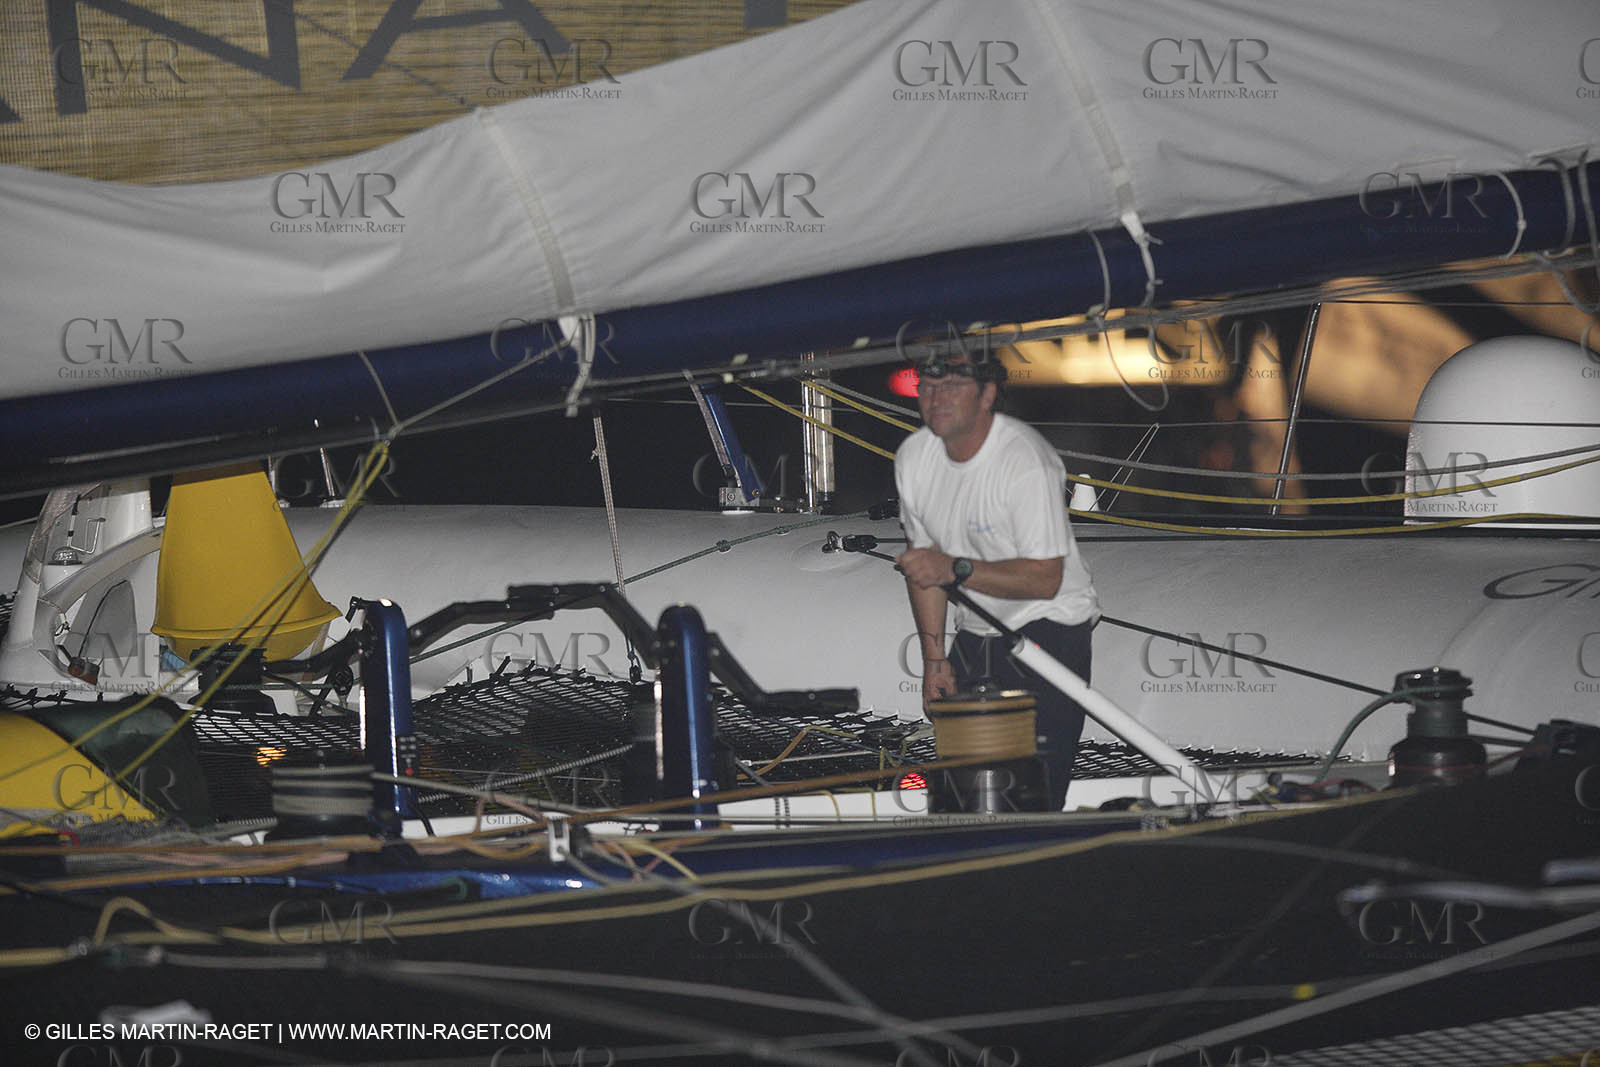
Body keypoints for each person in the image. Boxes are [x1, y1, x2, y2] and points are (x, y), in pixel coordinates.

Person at [894, 353, 1099, 810]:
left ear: (987, 395)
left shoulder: (1025, 461)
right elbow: (925, 569)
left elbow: (1045, 580)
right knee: (958, 791)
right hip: (977, 626)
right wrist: (933, 660)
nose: (936, 397)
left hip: (1050, 624)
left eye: (952, 385)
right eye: (927, 385)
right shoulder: (913, 457)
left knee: (1033, 793)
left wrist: (955, 569)